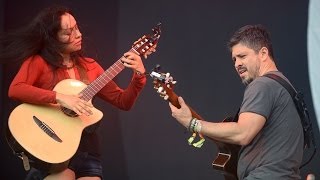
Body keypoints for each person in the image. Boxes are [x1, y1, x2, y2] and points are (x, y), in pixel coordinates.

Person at [0, 5, 152, 180]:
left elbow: (123, 102)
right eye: (68, 32)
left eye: (77, 28)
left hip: (88, 150)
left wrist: (139, 75)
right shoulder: (38, 62)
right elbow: (16, 89)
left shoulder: (91, 66)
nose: (78, 35)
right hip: (54, 148)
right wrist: (61, 98)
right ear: (53, 38)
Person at [168, 24, 304, 179]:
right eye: (234, 59)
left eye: (242, 56)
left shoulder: (262, 84)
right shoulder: (283, 85)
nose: (237, 64)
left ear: (263, 53)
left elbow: (243, 133)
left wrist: (191, 123)